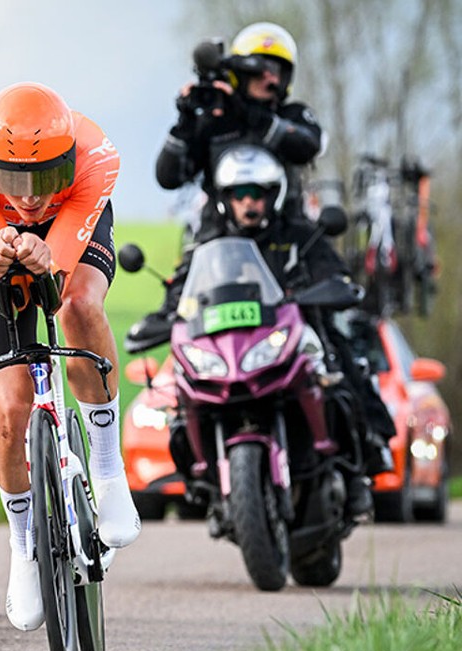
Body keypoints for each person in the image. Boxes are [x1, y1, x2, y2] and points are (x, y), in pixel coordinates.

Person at [0, 82, 139, 632]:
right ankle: (24, 545)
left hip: (72, 223)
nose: (28, 196)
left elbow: (58, 262)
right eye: (11, 180)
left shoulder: (97, 156)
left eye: (43, 178)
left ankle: (106, 465)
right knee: (9, 406)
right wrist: (3, 245)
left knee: (76, 304)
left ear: (69, 162)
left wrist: (49, 254)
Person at [135, 145, 396, 517]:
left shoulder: (299, 234)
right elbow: (183, 288)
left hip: (294, 330)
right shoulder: (209, 242)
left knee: (340, 369)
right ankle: (200, 476)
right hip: (231, 345)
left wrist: (334, 285)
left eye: (257, 193)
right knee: (180, 397)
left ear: (273, 195)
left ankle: (362, 464)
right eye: (239, 194)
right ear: (226, 199)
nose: (248, 202)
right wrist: (165, 314)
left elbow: (332, 270)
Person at [156, 22, 322, 222]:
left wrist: (251, 116)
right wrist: (185, 125)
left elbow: (308, 146)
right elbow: (168, 178)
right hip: (220, 239)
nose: (268, 76)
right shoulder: (216, 122)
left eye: (275, 69)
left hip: (286, 235)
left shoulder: (294, 115)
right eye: (261, 68)